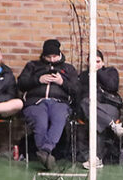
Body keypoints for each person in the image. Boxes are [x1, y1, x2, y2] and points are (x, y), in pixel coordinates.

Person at [17, 39, 78, 170]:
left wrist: (62, 82)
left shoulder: (68, 69)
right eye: (48, 57)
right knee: (40, 122)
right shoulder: (32, 66)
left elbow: (76, 90)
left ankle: (45, 151)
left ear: (59, 54)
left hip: (59, 102)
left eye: (54, 56)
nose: (52, 59)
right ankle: (46, 155)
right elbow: (21, 84)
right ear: (43, 56)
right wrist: (37, 80)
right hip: (36, 102)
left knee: (59, 119)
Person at [77, 50, 123, 169]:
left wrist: (98, 72)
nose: (95, 64)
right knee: (89, 108)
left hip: (109, 107)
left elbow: (112, 86)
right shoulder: (83, 76)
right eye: (92, 62)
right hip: (90, 108)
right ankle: (112, 125)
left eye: (98, 61)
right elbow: (80, 94)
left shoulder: (111, 71)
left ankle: (96, 158)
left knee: (96, 119)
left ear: (103, 62)